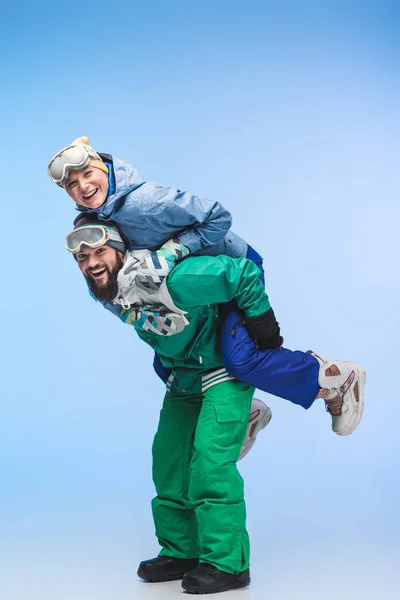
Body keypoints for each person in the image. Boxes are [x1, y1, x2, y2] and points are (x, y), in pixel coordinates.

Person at [65, 217, 366, 594]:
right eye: (81, 257)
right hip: (184, 377)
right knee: (169, 461)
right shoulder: (108, 290)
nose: (91, 263)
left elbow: (240, 272)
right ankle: (181, 550)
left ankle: (228, 563)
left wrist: (264, 327)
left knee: (210, 462)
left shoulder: (171, 277)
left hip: (223, 369)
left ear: (121, 249)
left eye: (99, 252)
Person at [48, 136, 365, 437]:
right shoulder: (93, 221)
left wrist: (174, 250)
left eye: (88, 174)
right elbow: (105, 277)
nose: (83, 187)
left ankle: (332, 379)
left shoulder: (146, 203)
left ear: (106, 168)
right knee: (171, 366)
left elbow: (218, 217)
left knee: (241, 359)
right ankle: (249, 414)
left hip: (231, 272)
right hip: (194, 291)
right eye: (72, 184)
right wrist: (128, 312)